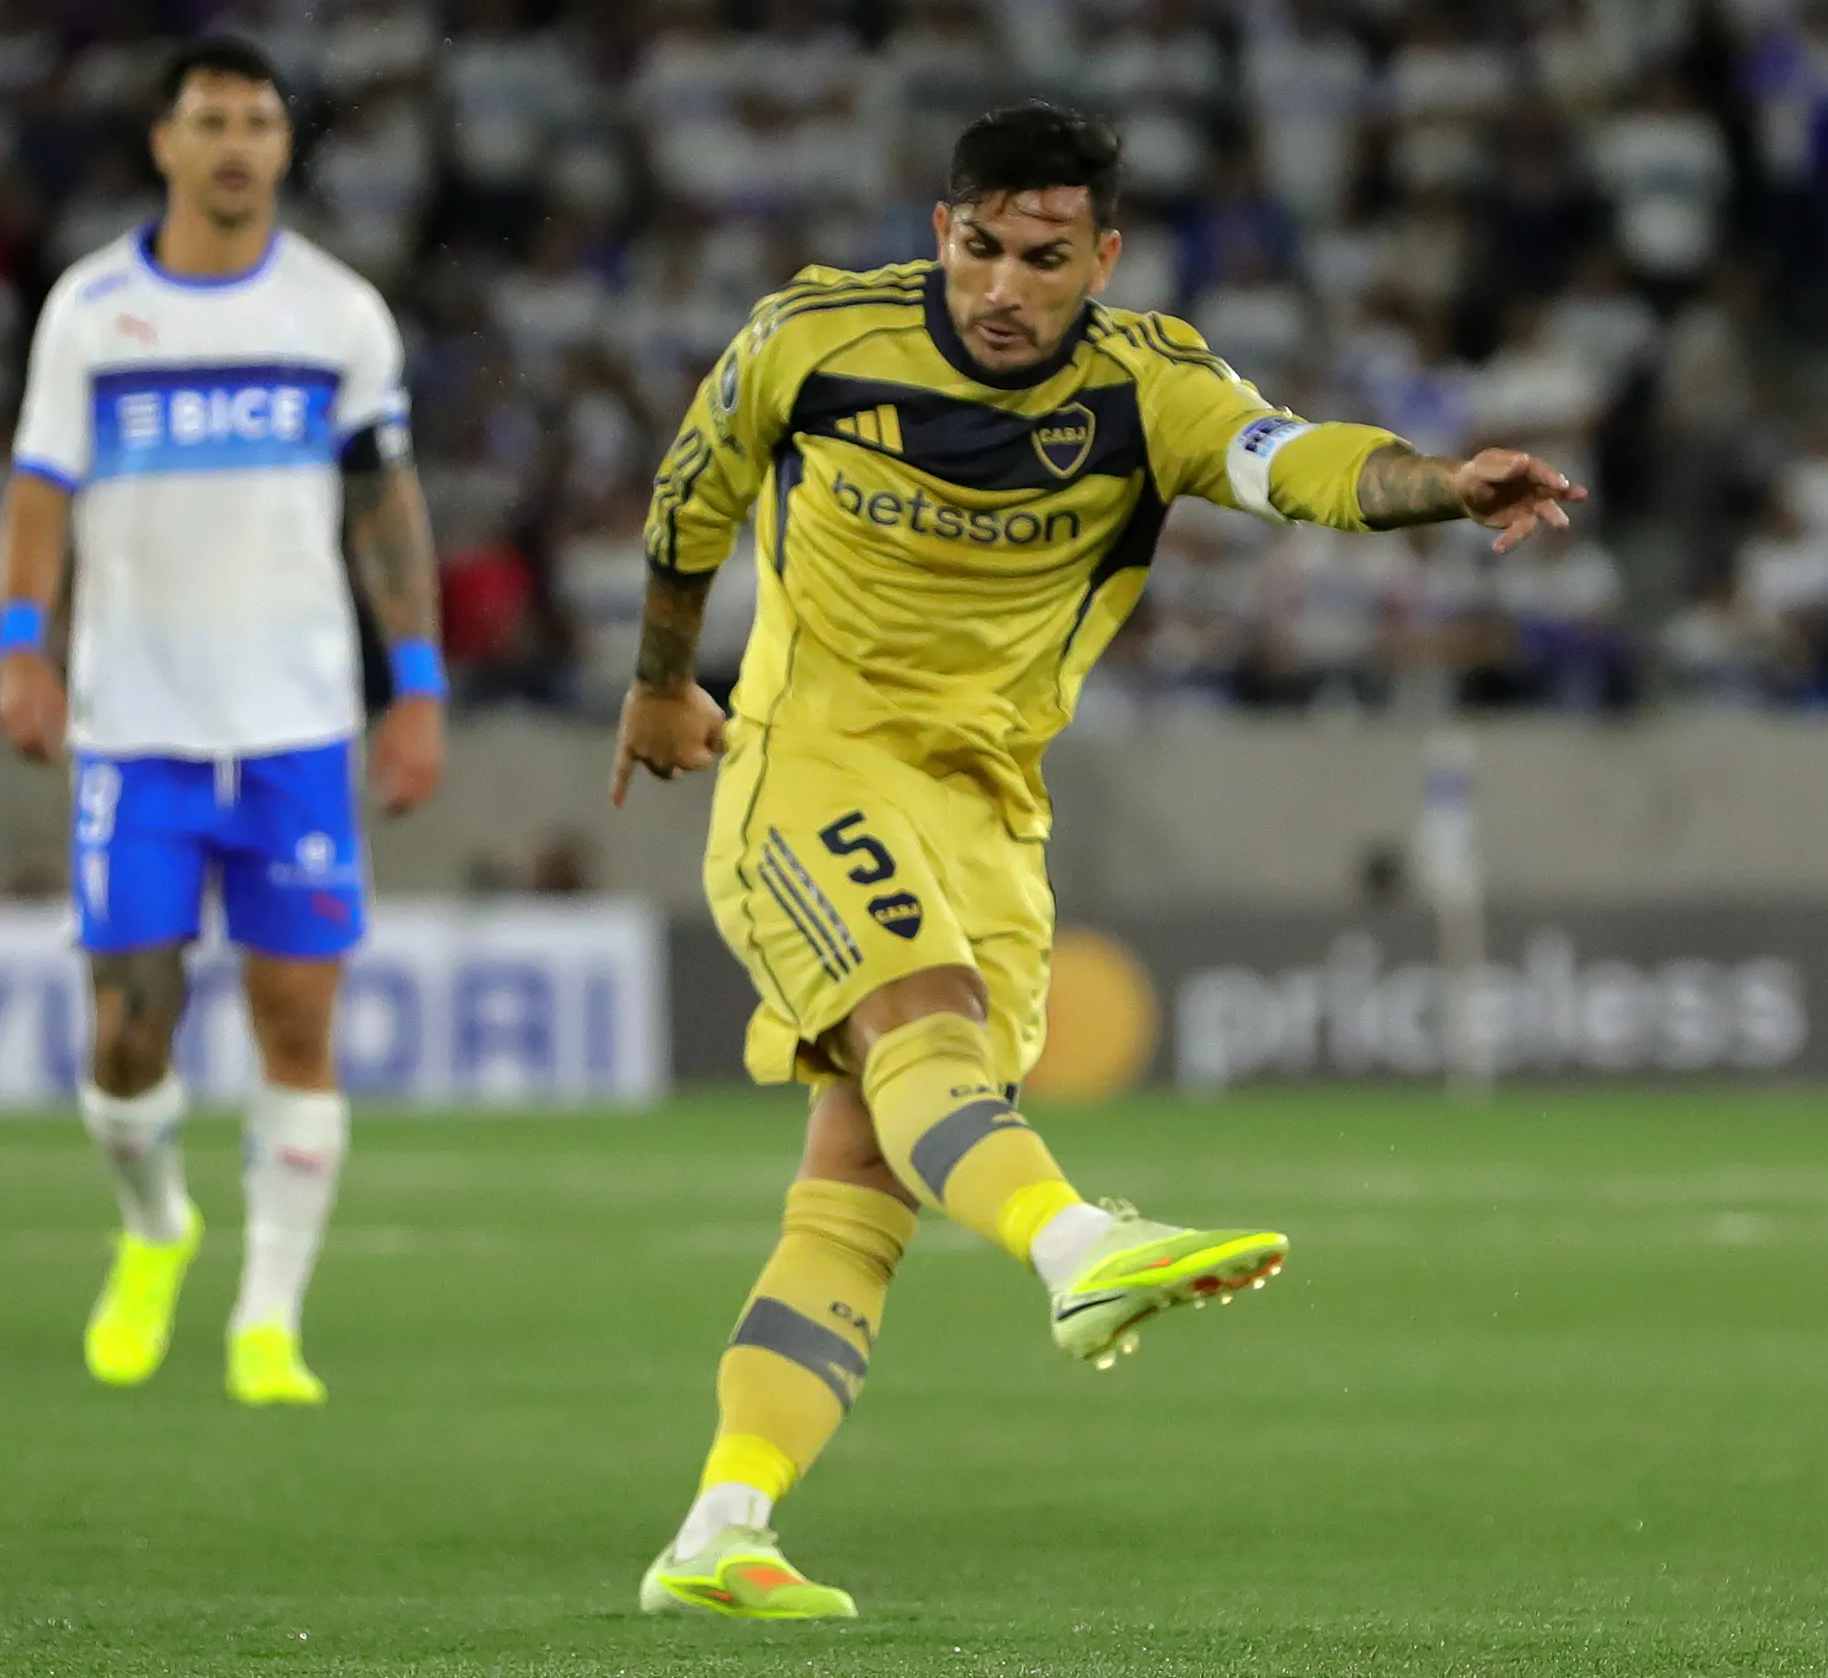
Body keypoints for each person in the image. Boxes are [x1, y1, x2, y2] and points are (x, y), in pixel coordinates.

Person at [609, 103, 1582, 1618]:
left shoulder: (1152, 388)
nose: (1004, 284)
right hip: (810, 758)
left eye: (1043, 257)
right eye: (980, 246)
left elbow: (1293, 462)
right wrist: (667, 680)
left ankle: (720, 1527)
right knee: (916, 1016)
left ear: (1101, 259)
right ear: (945, 232)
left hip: (991, 806)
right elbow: (694, 490)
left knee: (865, 1169)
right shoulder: (815, 336)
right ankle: (1077, 1245)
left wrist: (1438, 483)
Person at [0, 37, 445, 1407]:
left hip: (298, 730)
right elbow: (38, 492)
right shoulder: (92, 310)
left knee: (296, 1024)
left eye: (258, 121)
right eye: (211, 121)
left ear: (285, 148)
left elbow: (385, 505)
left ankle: (268, 1315)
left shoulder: (338, 315)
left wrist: (413, 683)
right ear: (165, 145)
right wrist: (23, 649)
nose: (237, 143)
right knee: (129, 1024)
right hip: (134, 729)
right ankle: (154, 1228)